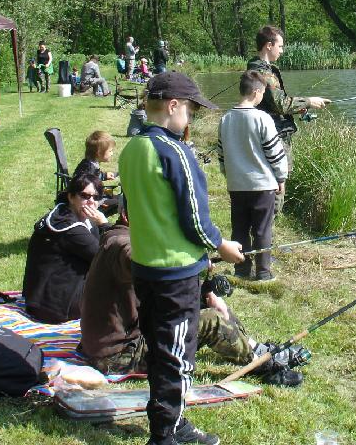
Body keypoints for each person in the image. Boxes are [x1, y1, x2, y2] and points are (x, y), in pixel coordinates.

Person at [118, 71, 244, 445]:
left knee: (161, 350)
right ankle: (164, 435)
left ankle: (171, 424)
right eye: (189, 110)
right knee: (177, 356)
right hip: (175, 274)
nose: (189, 119)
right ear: (173, 106)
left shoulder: (132, 149)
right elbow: (196, 220)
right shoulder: (176, 152)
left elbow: (131, 210)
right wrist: (222, 246)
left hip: (145, 268)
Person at [79, 195, 306, 386]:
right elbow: (155, 270)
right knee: (211, 321)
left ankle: (258, 349)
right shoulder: (123, 246)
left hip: (115, 342)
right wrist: (194, 265)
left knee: (207, 303)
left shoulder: (119, 236)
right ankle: (265, 364)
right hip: (118, 357)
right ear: (127, 216)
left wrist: (205, 292)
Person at [247, 26, 330, 212]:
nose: (282, 51)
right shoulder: (263, 72)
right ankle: (268, 225)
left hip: (265, 133)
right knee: (277, 186)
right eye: (280, 46)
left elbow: (274, 104)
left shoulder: (258, 68)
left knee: (270, 184)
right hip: (274, 136)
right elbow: (281, 104)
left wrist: (299, 108)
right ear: (269, 45)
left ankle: (263, 224)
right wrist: (309, 101)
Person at [218, 70, 288, 282]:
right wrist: (281, 177)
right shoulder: (262, 118)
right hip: (262, 186)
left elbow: (222, 155)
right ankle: (263, 272)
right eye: (263, 93)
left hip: (236, 185)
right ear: (256, 92)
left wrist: (229, 175)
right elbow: (275, 152)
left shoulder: (225, 118)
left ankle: (241, 269)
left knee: (239, 228)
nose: (262, 97)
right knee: (262, 230)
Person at [23, 173, 111, 324]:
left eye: (96, 197)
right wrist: (105, 225)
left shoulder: (63, 214)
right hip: (56, 307)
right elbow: (108, 257)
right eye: (85, 196)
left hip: (39, 300)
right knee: (121, 275)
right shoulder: (70, 228)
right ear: (71, 197)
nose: (91, 202)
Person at [73, 130, 118, 215]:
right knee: (120, 200)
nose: (112, 153)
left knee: (113, 194)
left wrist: (104, 175)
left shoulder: (89, 163)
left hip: (95, 193)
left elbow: (95, 176)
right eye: (110, 151)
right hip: (90, 199)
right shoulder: (89, 169)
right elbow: (86, 190)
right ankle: (98, 218)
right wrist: (103, 195)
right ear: (99, 153)